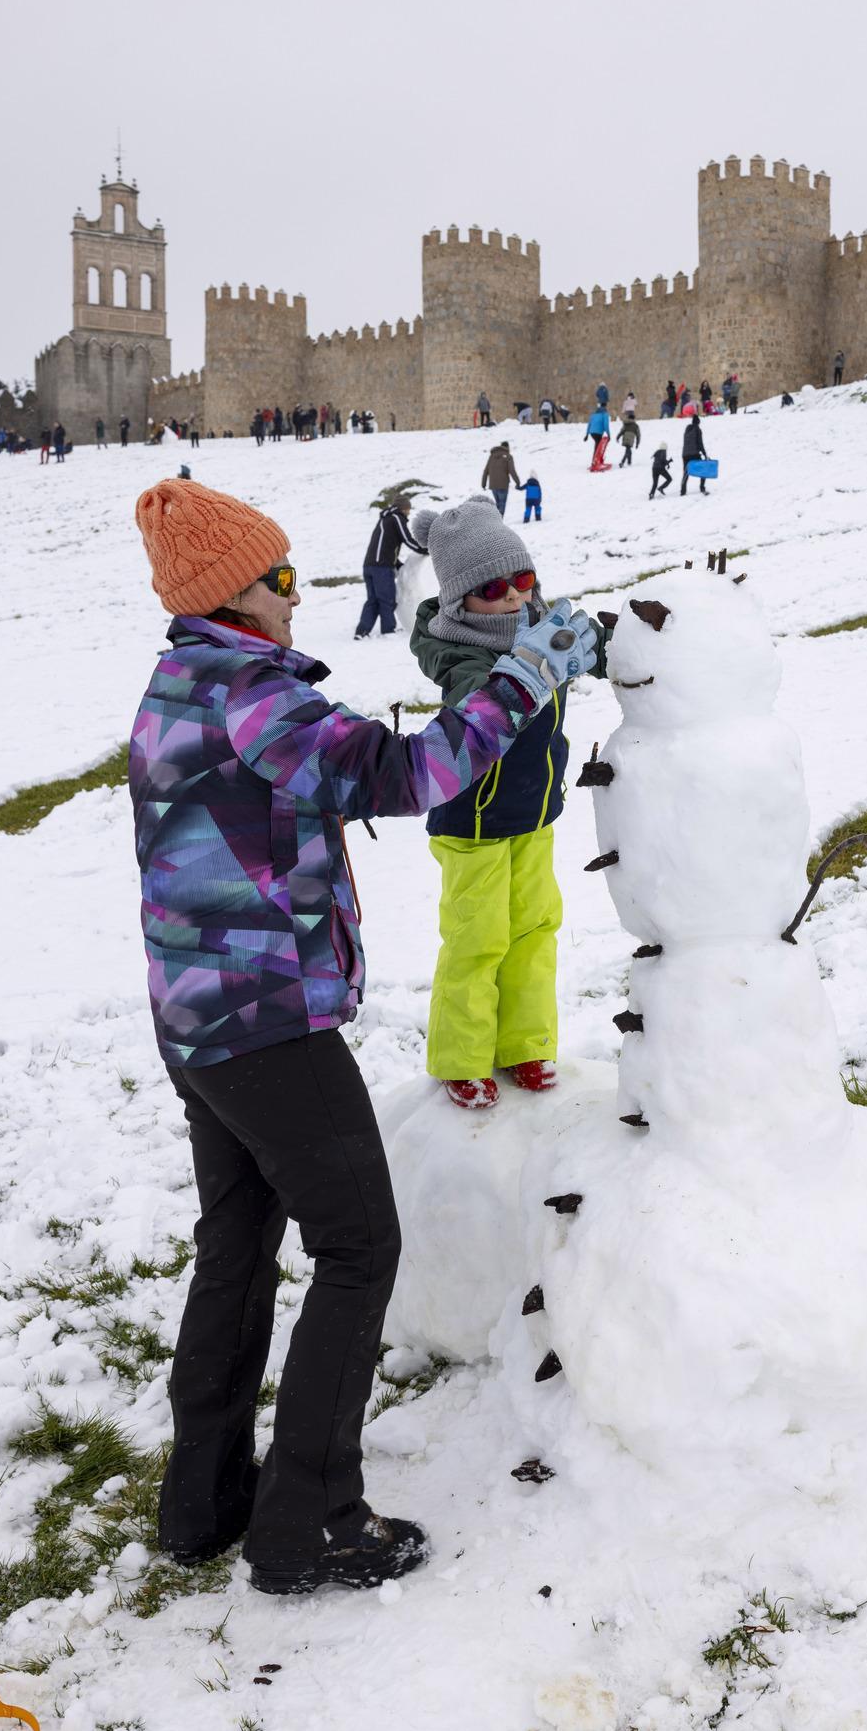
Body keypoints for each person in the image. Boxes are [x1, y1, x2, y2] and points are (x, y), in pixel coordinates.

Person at [130, 477, 595, 1594]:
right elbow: (409, 773)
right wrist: (527, 674)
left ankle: (206, 1501)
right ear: (233, 596)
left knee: (237, 1247)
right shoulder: (252, 692)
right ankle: (312, 1521)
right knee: (358, 1246)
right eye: (281, 578)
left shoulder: (181, 682)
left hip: (195, 1018)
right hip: (266, 1021)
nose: (300, 597)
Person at [408, 495, 604, 1112]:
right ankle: (461, 1057)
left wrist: (604, 642)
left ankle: (525, 1042)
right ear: (461, 600)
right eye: (496, 589)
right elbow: (481, 707)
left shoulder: (540, 630)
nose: (516, 598)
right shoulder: (462, 653)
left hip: (534, 813)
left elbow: (583, 656)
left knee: (534, 930)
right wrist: (529, 669)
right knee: (478, 939)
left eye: (525, 580)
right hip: (474, 823)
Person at [355, 494, 426, 638]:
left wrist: (398, 564)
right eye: (408, 509)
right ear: (403, 508)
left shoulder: (384, 519)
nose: (409, 512)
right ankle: (388, 630)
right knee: (387, 599)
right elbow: (407, 539)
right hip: (381, 568)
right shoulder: (396, 518)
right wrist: (425, 549)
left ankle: (361, 631)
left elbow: (385, 547)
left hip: (369, 566)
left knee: (373, 599)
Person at [481, 440, 521, 515]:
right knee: (502, 504)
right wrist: (517, 482)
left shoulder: (492, 456)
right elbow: (512, 471)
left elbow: (486, 471)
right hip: (503, 484)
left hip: (493, 485)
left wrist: (483, 484)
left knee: (498, 504)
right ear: (507, 447)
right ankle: (498, 523)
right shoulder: (508, 456)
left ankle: (496, 522)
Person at [681, 413, 708, 495]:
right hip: (694, 454)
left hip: (685, 454)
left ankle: (683, 491)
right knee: (703, 470)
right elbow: (700, 443)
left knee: (686, 472)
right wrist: (704, 453)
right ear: (698, 422)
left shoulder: (687, 430)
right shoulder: (697, 429)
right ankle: (702, 488)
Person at [585, 404, 612, 471]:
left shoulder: (593, 415)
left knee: (597, 446)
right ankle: (595, 462)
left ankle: (595, 461)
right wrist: (609, 435)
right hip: (598, 433)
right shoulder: (605, 414)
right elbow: (606, 425)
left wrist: (587, 435)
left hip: (592, 433)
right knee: (598, 447)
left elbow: (589, 424)